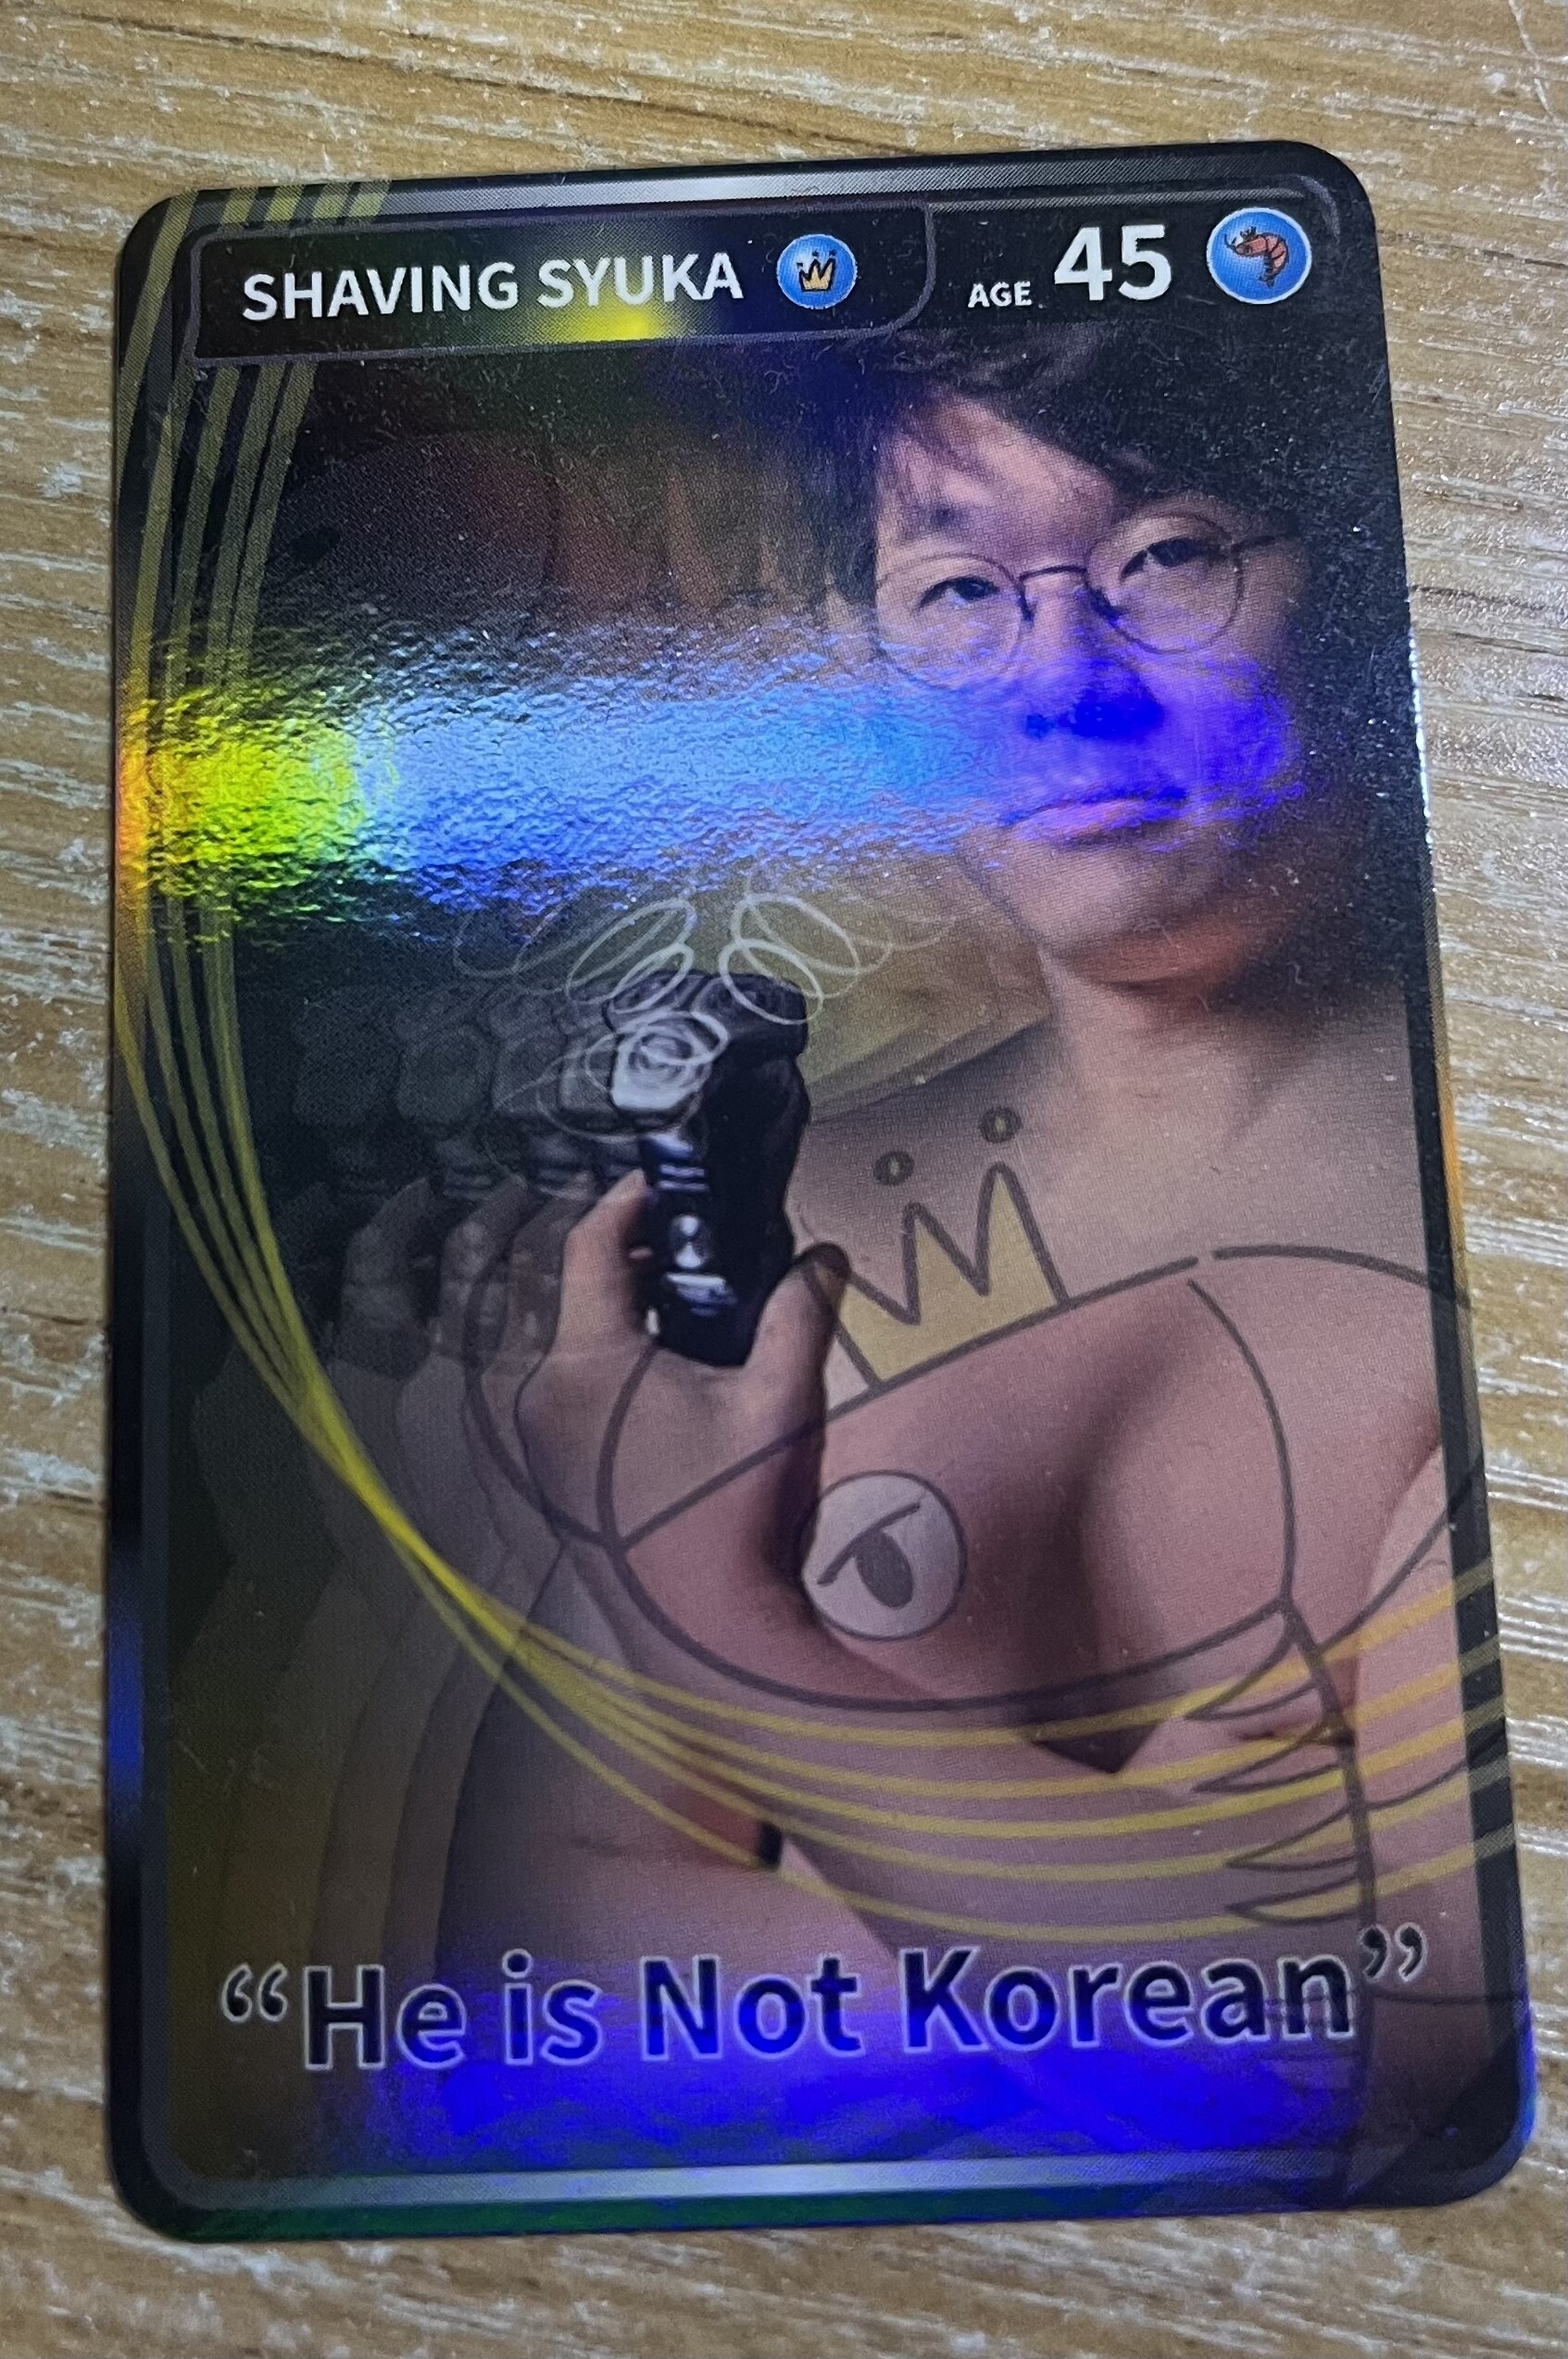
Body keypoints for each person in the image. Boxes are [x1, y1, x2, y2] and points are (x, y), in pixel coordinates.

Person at [337, 327, 1493, 2173]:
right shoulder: (785, 1202)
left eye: (1163, 557)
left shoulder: (1495, 1252)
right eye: (958, 593)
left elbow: (1395, 2057)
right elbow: (529, 1953)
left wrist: (732, 1633)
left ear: (1347, 573)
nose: (1062, 681)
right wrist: (1144, 1937)